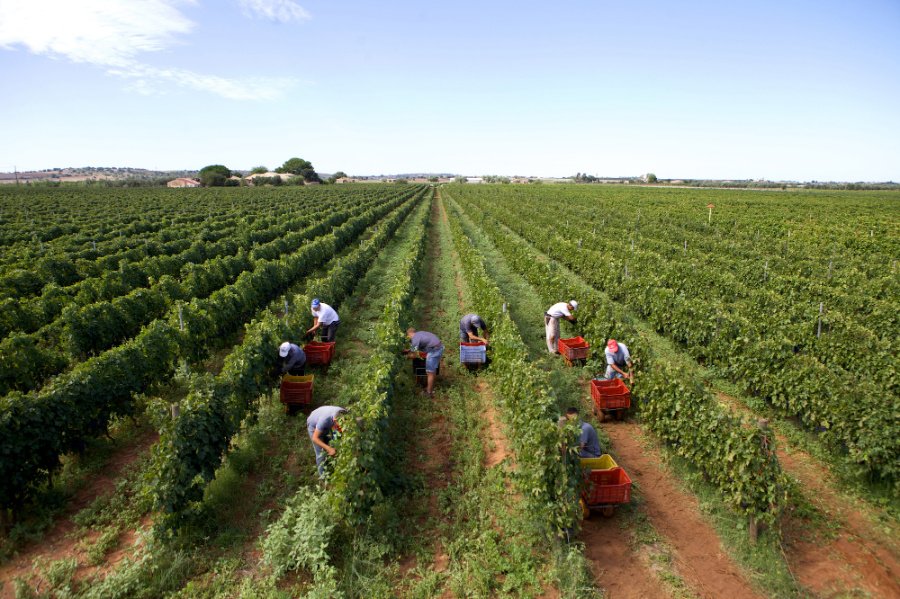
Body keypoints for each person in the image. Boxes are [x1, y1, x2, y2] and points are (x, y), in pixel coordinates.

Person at [306, 405, 347, 477]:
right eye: (339, 425)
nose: (341, 426)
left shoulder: (344, 413)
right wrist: (329, 448)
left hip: (325, 421)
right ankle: (323, 477)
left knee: (335, 441)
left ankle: (333, 464)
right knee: (321, 453)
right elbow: (315, 438)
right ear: (334, 421)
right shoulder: (325, 420)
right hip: (313, 424)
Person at [403, 328, 443, 397]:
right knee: (432, 371)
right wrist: (408, 350)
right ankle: (430, 388)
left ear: (409, 334)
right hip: (438, 347)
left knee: (430, 372)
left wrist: (406, 357)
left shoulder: (415, 339)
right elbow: (414, 348)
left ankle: (429, 392)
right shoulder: (419, 334)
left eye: (408, 336)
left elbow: (414, 354)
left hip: (434, 351)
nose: (409, 338)